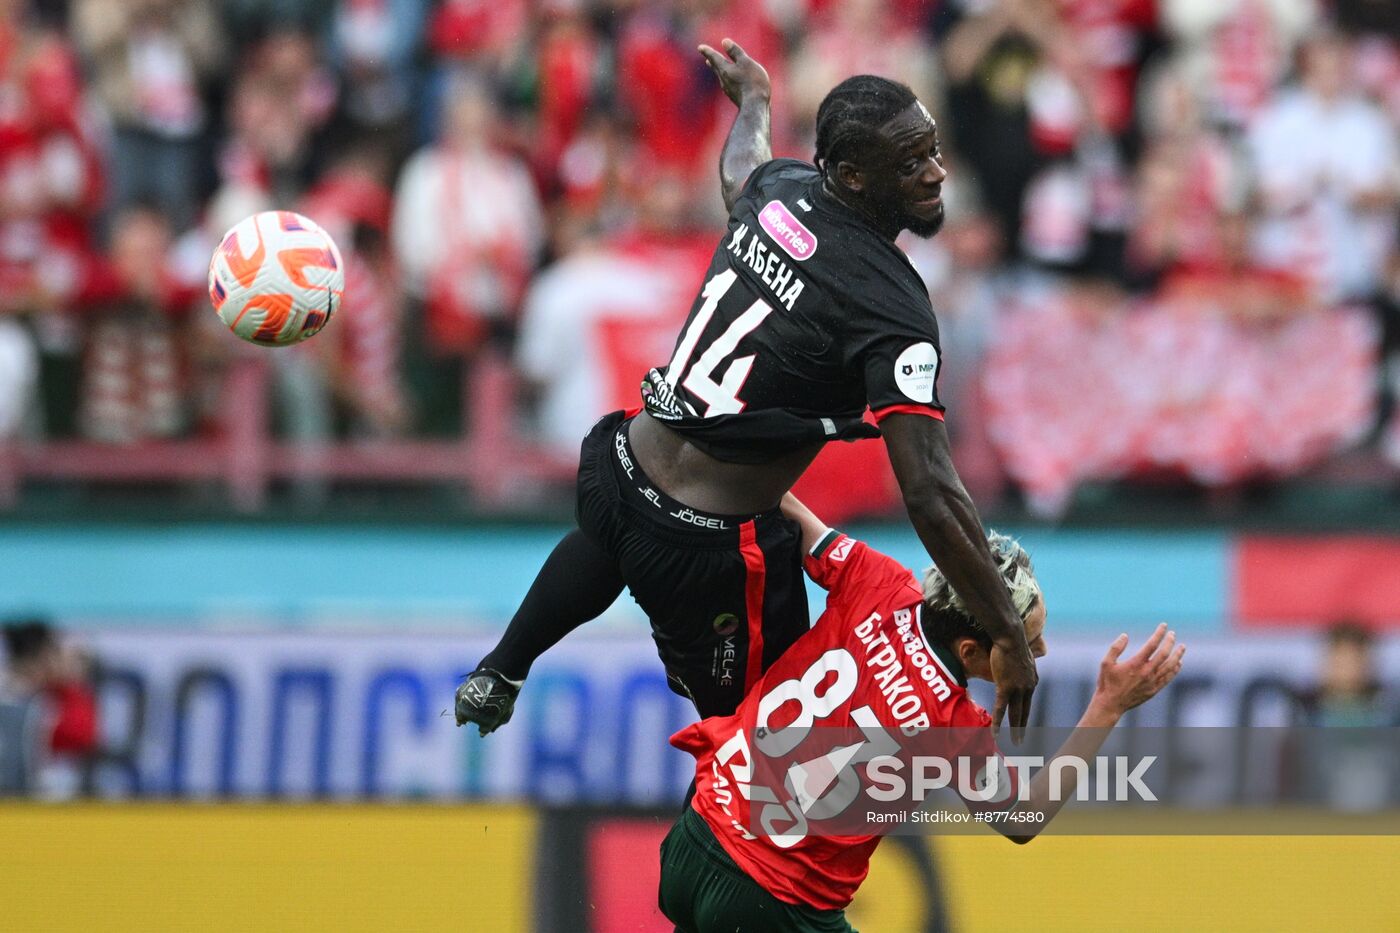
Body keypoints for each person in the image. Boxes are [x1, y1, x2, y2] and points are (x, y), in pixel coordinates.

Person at [457, 40, 1038, 736]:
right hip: (706, 552)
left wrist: (754, 104)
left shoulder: (783, 187)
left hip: (617, 467)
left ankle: (506, 663)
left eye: (933, 150)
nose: (937, 172)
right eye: (911, 162)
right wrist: (1006, 632)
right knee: (764, 755)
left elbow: (740, 170)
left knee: (610, 533)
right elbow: (931, 492)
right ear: (852, 176)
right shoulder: (894, 306)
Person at [658, 496, 1186, 932]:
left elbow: (786, 510)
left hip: (694, 840)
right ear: (970, 651)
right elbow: (1021, 820)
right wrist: (1108, 704)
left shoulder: (877, 580)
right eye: (1026, 644)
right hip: (771, 897)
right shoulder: (952, 725)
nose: (1040, 653)